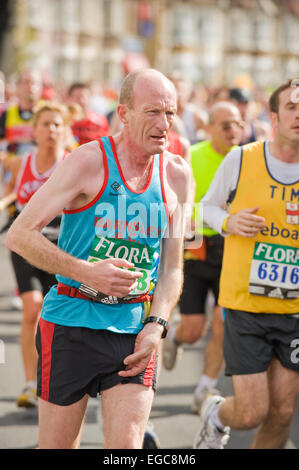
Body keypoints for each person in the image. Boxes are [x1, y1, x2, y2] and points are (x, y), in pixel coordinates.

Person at [6, 68, 192, 449]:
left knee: (126, 448)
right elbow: (19, 234)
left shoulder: (178, 174)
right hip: (71, 324)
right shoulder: (86, 161)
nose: (164, 125)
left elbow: (174, 264)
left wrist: (157, 324)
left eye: (171, 114)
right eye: (153, 112)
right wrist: (86, 271)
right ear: (123, 113)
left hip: (133, 329)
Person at [193, 79, 299, 449]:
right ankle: (216, 414)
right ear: (273, 116)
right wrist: (228, 222)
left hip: (295, 311)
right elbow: (206, 207)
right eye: (291, 106)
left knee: (283, 412)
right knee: (253, 411)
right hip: (245, 305)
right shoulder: (243, 158)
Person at [162, 102, 243, 413]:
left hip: (233, 247)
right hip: (197, 247)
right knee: (195, 327)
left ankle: (205, 388)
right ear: (209, 128)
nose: (233, 131)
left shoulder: (250, 159)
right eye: (225, 125)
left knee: (223, 323)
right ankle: (178, 338)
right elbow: (174, 197)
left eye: (238, 123)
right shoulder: (193, 156)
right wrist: (189, 218)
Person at [0, 101, 70, 407]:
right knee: (32, 309)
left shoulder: (72, 165)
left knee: (55, 318)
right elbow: (11, 193)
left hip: (59, 250)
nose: (51, 130)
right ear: (35, 130)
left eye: (57, 124)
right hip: (25, 245)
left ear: (64, 130)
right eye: (46, 124)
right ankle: (30, 383)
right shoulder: (22, 164)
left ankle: (52, 381)